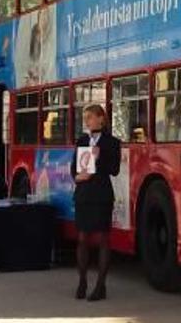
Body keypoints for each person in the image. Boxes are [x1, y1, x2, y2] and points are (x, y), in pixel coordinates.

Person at [71, 104, 121, 302]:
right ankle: (82, 281)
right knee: (82, 238)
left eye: (90, 117)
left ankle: (101, 285)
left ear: (101, 118)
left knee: (102, 239)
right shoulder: (82, 140)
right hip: (83, 193)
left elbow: (114, 169)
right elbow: (73, 168)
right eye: (85, 118)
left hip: (101, 195)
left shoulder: (112, 142)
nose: (87, 121)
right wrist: (78, 177)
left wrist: (99, 158)